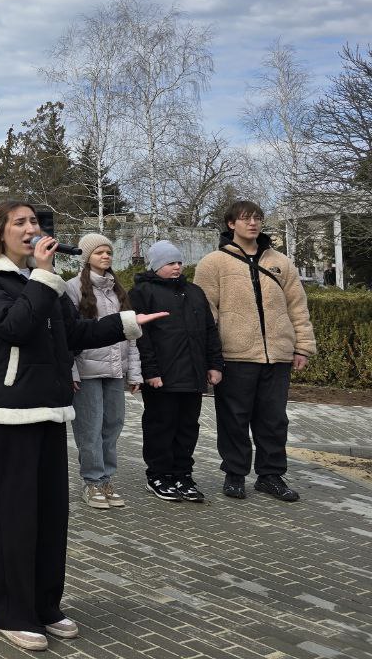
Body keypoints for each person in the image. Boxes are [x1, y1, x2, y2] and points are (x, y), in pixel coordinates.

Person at [0, 201, 164, 653]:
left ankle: (45, 606)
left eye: (35, 222)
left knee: (50, 516)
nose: (32, 229)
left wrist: (128, 323)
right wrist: (43, 276)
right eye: (21, 223)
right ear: (0, 231)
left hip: (51, 409)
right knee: (12, 517)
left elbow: (75, 335)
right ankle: (11, 612)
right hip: (8, 412)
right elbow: (14, 327)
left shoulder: (44, 282)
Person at [194, 201, 316, 502]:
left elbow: (297, 307)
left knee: (274, 419)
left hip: (277, 355)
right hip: (235, 356)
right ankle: (235, 474)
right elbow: (204, 313)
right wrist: (210, 357)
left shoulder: (281, 262)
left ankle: (271, 475)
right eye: (246, 218)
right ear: (231, 223)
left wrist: (302, 346)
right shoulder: (213, 263)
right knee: (234, 418)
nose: (253, 223)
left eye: (258, 218)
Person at [129, 240, 223, 502]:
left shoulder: (195, 292)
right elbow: (140, 337)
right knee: (161, 426)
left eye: (179, 262)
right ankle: (158, 475)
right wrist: (150, 371)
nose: (177, 267)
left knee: (187, 427)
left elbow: (209, 331)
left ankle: (183, 474)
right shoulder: (142, 293)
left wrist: (214, 365)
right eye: (170, 263)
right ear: (157, 265)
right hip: (162, 377)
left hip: (192, 375)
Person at [63, 233, 141, 510]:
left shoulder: (117, 290)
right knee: (89, 429)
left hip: (115, 370)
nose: (105, 256)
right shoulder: (72, 288)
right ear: (86, 257)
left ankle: (107, 478)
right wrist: (71, 371)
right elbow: (68, 336)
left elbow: (130, 334)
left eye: (108, 252)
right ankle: (92, 481)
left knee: (113, 426)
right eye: (99, 252)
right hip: (86, 371)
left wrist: (134, 372)